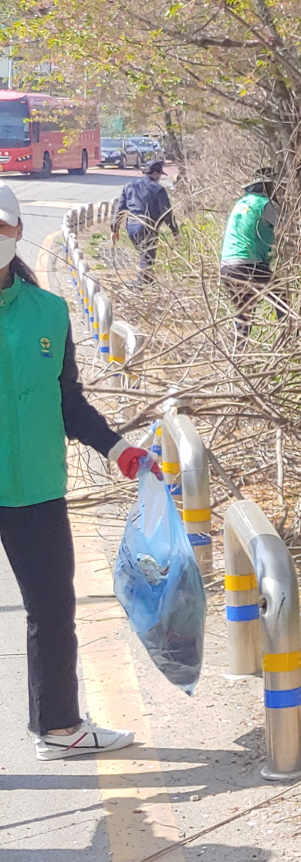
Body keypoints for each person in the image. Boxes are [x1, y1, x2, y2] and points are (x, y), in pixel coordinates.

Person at [0, 181, 157, 758]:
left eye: (1, 227)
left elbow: (69, 402)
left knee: (51, 609)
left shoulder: (50, 311)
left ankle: (59, 728)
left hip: (36, 486)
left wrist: (121, 450)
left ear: (16, 233)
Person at [218, 169, 287, 339]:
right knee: (281, 296)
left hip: (227, 267)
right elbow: (289, 231)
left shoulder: (242, 203)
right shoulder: (266, 204)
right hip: (249, 264)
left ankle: (238, 352)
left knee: (245, 311)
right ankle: (290, 337)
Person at [111, 160, 179, 285]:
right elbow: (166, 213)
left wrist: (114, 229)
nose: (159, 177)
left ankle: (150, 285)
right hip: (147, 226)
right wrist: (175, 232)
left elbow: (119, 209)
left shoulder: (129, 186)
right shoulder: (158, 189)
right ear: (155, 174)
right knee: (147, 258)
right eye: (159, 174)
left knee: (145, 257)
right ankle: (140, 287)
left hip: (131, 226)